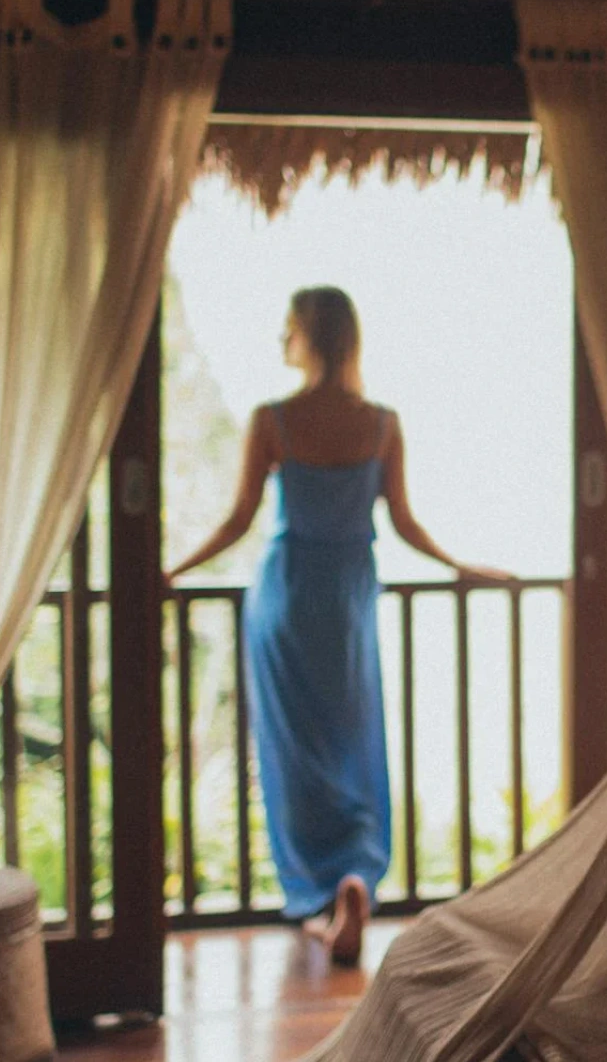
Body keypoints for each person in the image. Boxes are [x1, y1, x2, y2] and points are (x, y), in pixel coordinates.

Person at [166, 286, 507, 963]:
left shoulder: (275, 420)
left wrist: (171, 572)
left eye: (288, 328)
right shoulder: (380, 424)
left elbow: (238, 521)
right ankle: (354, 879)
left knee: (296, 755)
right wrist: (461, 567)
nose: (280, 340)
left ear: (311, 337)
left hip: (286, 597)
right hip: (348, 600)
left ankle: (323, 896)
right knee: (353, 745)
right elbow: (404, 525)